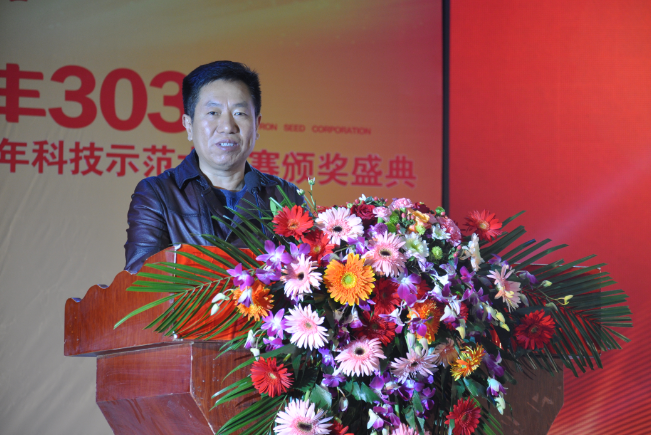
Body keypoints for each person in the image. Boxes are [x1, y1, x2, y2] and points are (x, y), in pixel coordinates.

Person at [124, 61, 302, 273]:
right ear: (188, 125)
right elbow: (144, 284)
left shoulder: (287, 196)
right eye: (213, 113)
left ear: (257, 125)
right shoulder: (157, 194)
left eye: (240, 113)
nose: (227, 127)